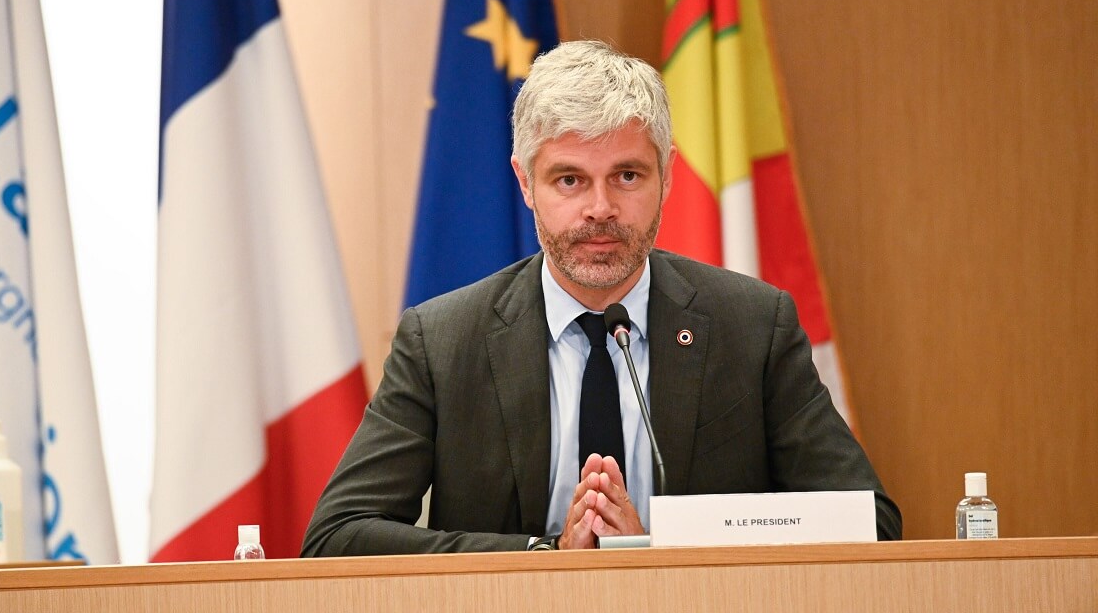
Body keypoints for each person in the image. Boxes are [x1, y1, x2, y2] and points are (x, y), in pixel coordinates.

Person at [302, 40, 901, 555]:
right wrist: (545, 555)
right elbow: (339, 535)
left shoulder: (752, 328)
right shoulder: (442, 342)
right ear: (525, 182)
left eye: (627, 176)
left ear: (666, 175)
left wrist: (659, 552)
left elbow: (870, 524)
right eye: (569, 179)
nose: (600, 209)